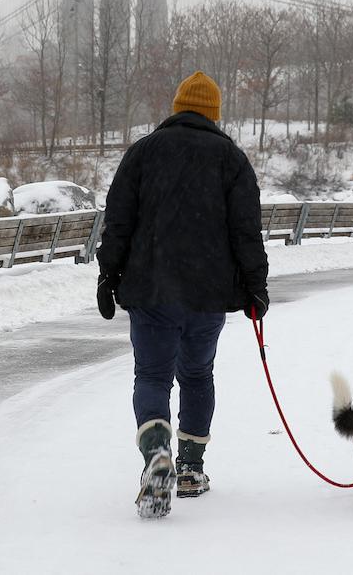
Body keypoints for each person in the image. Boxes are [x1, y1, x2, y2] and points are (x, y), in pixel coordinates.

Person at [97, 71, 269, 519]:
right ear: (214, 114)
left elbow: (119, 221)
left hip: (151, 289)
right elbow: (246, 231)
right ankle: (191, 469)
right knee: (196, 376)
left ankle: (157, 454)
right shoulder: (231, 159)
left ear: (176, 109)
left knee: (152, 377)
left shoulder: (143, 152)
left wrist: (107, 274)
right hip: (208, 294)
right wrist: (256, 287)